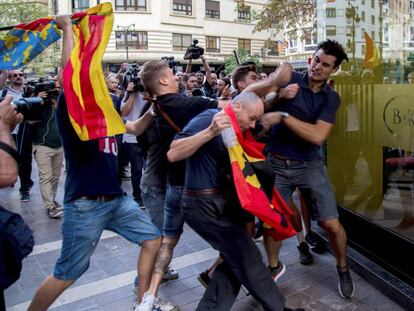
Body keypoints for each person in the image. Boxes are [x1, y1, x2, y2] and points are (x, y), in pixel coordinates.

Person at [27, 16, 162, 311]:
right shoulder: (72, 107)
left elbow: (135, 129)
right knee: (69, 273)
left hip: (116, 200)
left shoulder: (110, 107)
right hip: (86, 204)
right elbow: (69, 77)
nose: (102, 79)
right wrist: (66, 31)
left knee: (153, 239)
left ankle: (143, 302)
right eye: (96, 76)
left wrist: (155, 106)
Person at [167, 92, 303, 311]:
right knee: (248, 256)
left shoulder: (236, 128)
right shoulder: (210, 117)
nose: (252, 124)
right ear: (237, 106)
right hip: (202, 203)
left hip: (219, 203)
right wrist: (210, 131)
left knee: (236, 261)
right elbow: (173, 153)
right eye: (251, 118)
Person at [265, 39, 354, 299]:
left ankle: (342, 267)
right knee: (273, 222)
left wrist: (284, 116)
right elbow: (261, 102)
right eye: (316, 60)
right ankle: (272, 267)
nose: (318, 66)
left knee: (331, 223)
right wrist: (279, 96)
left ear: (333, 70)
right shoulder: (289, 78)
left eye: (325, 65)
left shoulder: (331, 98)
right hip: (276, 163)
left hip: (309, 164)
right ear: (311, 58)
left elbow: (317, 136)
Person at [31, 88, 64, 219]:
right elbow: (30, 121)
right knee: (46, 176)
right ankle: (50, 206)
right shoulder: (39, 105)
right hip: (42, 146)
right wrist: (39, 101)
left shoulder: (61, 105)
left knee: (55, 177)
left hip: (59, 146)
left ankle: (52, 200)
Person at [2, 69, 34, 201]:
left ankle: (24, 188)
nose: (18, 77)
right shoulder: (4, 93)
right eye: (15, 75)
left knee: (25, 160)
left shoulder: (29, 92)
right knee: (11, 157)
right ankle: (13, 177)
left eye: (20, 75)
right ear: (10, 78)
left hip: (24, 130)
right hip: (9, 132)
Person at [120, 81, 147, 206]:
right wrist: (131, 94)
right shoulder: (129, 93)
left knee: (149, 169)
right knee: (137, 170)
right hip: (132, 138)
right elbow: (124, 112)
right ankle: (138, 196)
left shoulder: (148, 91)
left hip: (147, 137)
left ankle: (148, 194)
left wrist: (145, 91)